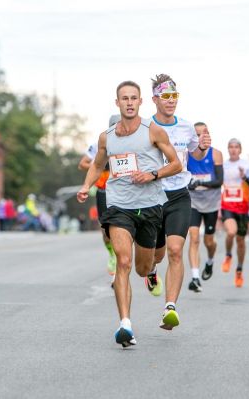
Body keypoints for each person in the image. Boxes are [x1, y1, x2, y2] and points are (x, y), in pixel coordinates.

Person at [77, 80, 182, 348]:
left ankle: (152, 272)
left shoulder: (153, 131)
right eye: (124, 98)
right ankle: (125, 324)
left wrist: (152, 174)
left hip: (149, 206)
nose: (129, 102)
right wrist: (86, 185)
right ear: (117, 103)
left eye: (133, 98)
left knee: (142, 267)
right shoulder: (107, 137)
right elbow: (98, 164)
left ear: (140, 102)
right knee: (123, 261)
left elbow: (176, 164)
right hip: (119, 205)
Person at [145, 75, 211, 307]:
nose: (171, 101)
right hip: (153, 196)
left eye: (174, 96)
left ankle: (170, 307)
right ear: (155, 99)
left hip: (179, 195)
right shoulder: (146, 127)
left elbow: (196, 155)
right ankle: (152, 270)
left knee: (175, 250)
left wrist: (202, 148)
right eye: (166, 97)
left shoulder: (185, 127)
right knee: (158, 253)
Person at [78, 114, 120, 280]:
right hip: (104, 190)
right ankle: (111, 254)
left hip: (124, 191)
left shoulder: (133, 142)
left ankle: (120, 261)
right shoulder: (99, 144)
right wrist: (102, 164)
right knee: (105, 230)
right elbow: (82, 164)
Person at [186, 122, 223, 292]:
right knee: (194, 237)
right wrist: (189, 184)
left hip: (211, 203)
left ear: (208, 134)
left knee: (209, 241)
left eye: (203, 133)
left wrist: (201, 182)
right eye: (197, 134)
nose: (200, 136)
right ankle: (195, 277)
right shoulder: (187, 154)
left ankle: (209, 261)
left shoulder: (216, 154)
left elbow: (219, 181)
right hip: (193, 201)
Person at [220, 138, 249, 287]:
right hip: (227, 206)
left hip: (242, 208)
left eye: (236, 147)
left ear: (240, 149)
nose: (233, 149)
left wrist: (244, 177)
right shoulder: (223, 165)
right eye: (231, 147)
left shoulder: (247, 165)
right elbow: (217, 184)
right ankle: (228, 255)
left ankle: (239, 270)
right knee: (231, 232)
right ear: (228, 149)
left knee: (241, 241)